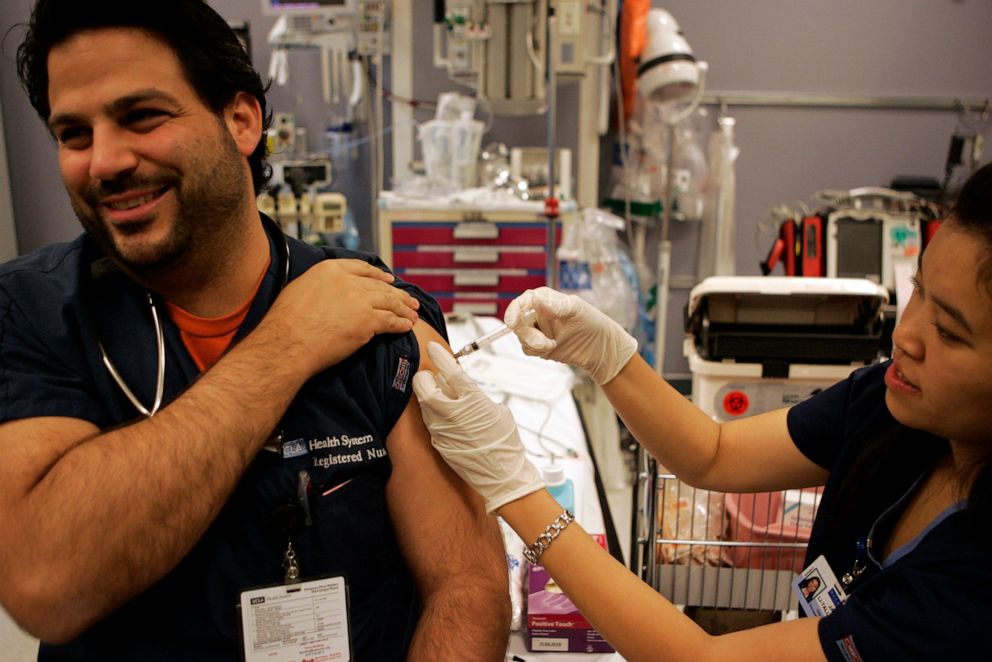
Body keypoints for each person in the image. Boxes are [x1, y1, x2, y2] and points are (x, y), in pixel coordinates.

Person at [0, 1, 510, 659]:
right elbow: (45, 582)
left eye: (141, 117)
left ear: (241, 120)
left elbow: (467, 586)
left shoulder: (376, 316)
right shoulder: (32, 314)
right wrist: (286, 344)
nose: (104, 161)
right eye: (73, 134)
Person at [414, 162, 992, 661]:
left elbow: (701, 658)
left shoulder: (967, 594)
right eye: (916, 290)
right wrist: (608, 356)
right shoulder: (894, 411)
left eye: (948, 330)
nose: (906, 336)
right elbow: (714, 454)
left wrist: (514, 488)